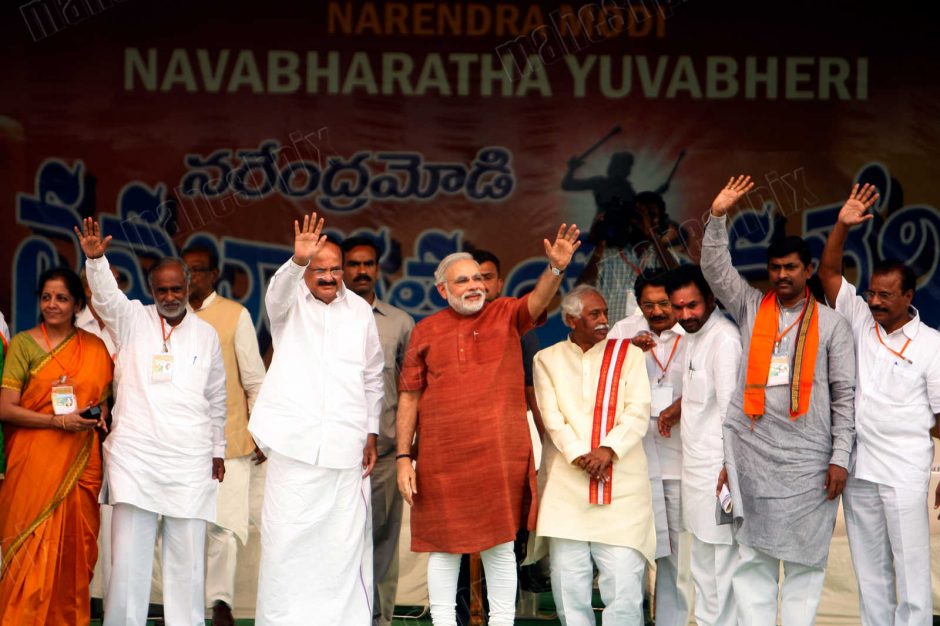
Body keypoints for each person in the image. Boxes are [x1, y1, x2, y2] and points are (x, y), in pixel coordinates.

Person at [396, 224, 581, 626]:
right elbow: (409, 396)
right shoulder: (425, 331)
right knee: (443, 547)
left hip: (498, 455)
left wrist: (555, 268)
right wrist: (403, 457)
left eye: (479, 278)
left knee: (499, 546)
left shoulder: (506, 314)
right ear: (442, 290)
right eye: (462, 281)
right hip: (441, 460)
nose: (474, 286)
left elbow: (538, 300)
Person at [703, 176, 857, 625]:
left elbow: (844, 397)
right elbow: (715, 269)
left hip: (811, 460)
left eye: (791, 267)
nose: (782, 275)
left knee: (806, 562)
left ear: (808, 270)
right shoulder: (751, 307)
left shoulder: (832, 325)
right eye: (775, 268)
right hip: (754, 453)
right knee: (753, 556)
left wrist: (840, 458)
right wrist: (717, 216)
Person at [76, 218, 228, 626]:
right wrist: (96, 261)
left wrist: (218, 449)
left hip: (189, 461)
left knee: (187, 562)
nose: (170, 296)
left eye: (176, 289)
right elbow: (106, 296)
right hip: (136, 457)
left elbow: (217, 398)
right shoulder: (132, 320)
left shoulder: (206, 335)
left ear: (188, 286)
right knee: (127, 561)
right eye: (162, 290)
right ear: (151, 290)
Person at [249, 214, 384, 625]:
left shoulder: (359, 311)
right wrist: (297, 260)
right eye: (318, 269)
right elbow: (276, 292)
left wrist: (371, 432)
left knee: (342, 549)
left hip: (346, 449)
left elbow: (372, 376)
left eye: (334, 269)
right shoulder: (288, 305)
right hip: (294, 447)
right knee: (285, 544)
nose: (328, 277)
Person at [818, 182, 940, 625]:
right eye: (872, 293)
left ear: (909, 297)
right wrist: (841, 226)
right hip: (859, 467)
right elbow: (829, 273)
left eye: (886, 296)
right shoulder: (857, 318)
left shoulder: (931, 344)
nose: (875, 302)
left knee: (911, 567)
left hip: (905, 471)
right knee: (870, 572)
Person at [534, 285, 653, 625]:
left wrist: (607, 450)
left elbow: (639, 410)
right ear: (571, 320)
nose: (604, 320)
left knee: (624, 584)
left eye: (605, 313)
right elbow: (551, 417)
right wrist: (579, 455)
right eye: (594, 314)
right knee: (568, 582)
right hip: (567, 486)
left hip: (622, 487)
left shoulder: (628, 355)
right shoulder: (546, 359)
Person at [0, 267, 113, 624]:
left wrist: (99, 415)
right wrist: (56, 421)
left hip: (81, 459)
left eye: (62, 298)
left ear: (78, 304)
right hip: (33, 460)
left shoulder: (95, 347)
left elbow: (102, 401)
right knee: (30, 546)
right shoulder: (23, 344)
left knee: (74, 548)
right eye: (46, 297)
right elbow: (5, 408)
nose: (52, 304)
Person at [182, 243, 267, 626]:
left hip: (229, 440)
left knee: (224, 528)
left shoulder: (235, 315)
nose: (190, 278)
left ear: (214, 275)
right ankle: (180, 606)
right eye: (185, 271)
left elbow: (254, 380)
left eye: (197, 270)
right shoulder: (168, 316)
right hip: (179, 443)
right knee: (180, 526)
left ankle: (220, 604)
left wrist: (259, 432)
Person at [609, 271, 691, 626]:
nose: (656, 311)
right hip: (634, 465)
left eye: (664, 304)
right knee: (629, 554)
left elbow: (713, 388)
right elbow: (601, 384)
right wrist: (627, 353)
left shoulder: (694, 332)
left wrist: (682, 406)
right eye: (648, 305)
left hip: (679, 463)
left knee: (676, 559)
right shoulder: (623, 332)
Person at [341, 235, 415, 626]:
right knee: (336, 537)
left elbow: (412, 391)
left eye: (367, 264)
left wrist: (407, 448)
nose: (361, 271)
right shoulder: (324, 319)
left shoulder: (400, 323)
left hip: (384, 454)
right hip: (334, 454)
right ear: (341, 269)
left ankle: (379, 619)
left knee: (382, 540)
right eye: (353, 264)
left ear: (377, 268)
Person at [664, 264, 741, 626]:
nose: (685, 315)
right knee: (701, 562)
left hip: (718, 470)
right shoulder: (692, 335)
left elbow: (730, 410)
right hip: (695, 468)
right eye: (677, 307)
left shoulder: (724, 340)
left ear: (710, 299)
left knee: (722, 566)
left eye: (692, 305)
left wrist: (730, 467)